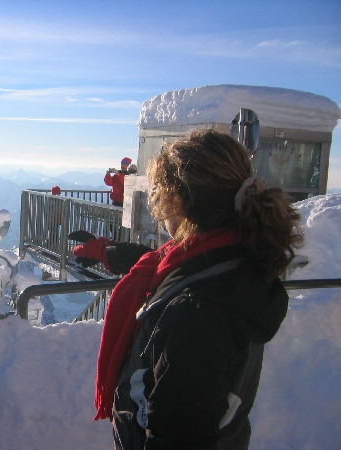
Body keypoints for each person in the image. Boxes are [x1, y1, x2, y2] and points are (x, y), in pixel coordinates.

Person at [70, 129, 303, 449]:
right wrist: (109, 252)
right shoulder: (237, 265)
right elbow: (170, 267)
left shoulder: (194, 315)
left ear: (178, 201)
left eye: (159, 191)